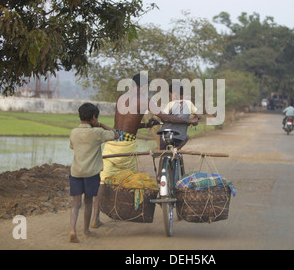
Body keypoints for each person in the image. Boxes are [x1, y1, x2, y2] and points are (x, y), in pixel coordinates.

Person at [96, 74, 198, 225]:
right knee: (128, 178)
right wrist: (189, 120)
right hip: (127, 146)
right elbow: (165, 118)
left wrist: (146, 125)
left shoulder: (121, 98)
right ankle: (131, 210)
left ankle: (94, 219)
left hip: (112, 142)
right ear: (144, 87)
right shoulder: (144, 99)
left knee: (103, 181)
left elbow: (124, 125)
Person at [68, 103, 119, 243]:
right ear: (93, 117)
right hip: (91, 173)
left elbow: (72, 146)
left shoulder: (74, 132)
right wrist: (100, 124)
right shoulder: (97, 133)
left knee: (75, 204)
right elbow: (115, 134)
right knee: (88, 202)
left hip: (76, 172)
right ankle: (85, 231)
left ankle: (72, 230)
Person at [159, 82, 201, 150]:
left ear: (173, 93)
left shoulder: (170, 104)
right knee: (186, 137)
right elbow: (199, 116)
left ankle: (163, 158)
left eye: (170, 94)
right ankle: (176, 150)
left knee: (163, 154)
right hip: (180, 136)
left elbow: (163, 118)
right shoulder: (188, 103)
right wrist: (193, 120)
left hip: (165, 135)